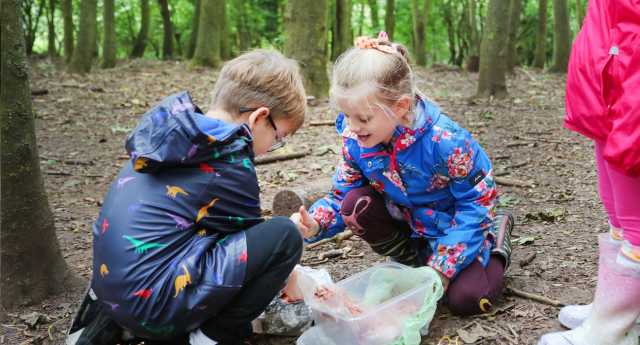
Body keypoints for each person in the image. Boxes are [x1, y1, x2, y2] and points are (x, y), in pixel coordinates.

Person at [67, 50, 307, 345]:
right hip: (152, 308)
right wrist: (291, 275)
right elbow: (259, 241)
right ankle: (208, 338)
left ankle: (124, 327)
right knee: (286, 235)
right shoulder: (231, 158)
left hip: (111, 295)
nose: (272, 147)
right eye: (277, 138)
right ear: (258, 117)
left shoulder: (172, 137)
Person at [290, 32, 514, 316]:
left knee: (468, 300)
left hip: (456, 228)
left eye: (363, 118)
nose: (352, 126)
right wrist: (317, 223)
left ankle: (497, 240)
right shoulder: (355, 141)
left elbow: (477, 203)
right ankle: (414, 262)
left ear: (400, 107)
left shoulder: (448, 143)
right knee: (354, 206)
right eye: (347, 115)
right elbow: (342, 194)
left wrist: (443, 269)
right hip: (409, 223)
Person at [538, 0, 640, 342]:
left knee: (637, 223)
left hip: (630, 81)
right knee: (615, 211)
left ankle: (612, 327)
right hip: (606, 77)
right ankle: (610, 308)